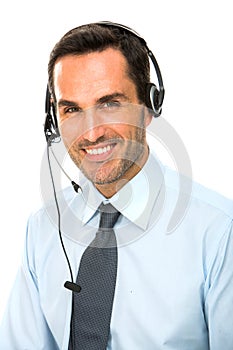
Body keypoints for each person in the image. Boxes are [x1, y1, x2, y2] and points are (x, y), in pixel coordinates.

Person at [1, 21, 233, 350]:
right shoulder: (42, 229)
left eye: (110, 104)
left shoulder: (219, 233)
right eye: (71, 110)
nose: (92, 133)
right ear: (54, 121)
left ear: (149, 106)